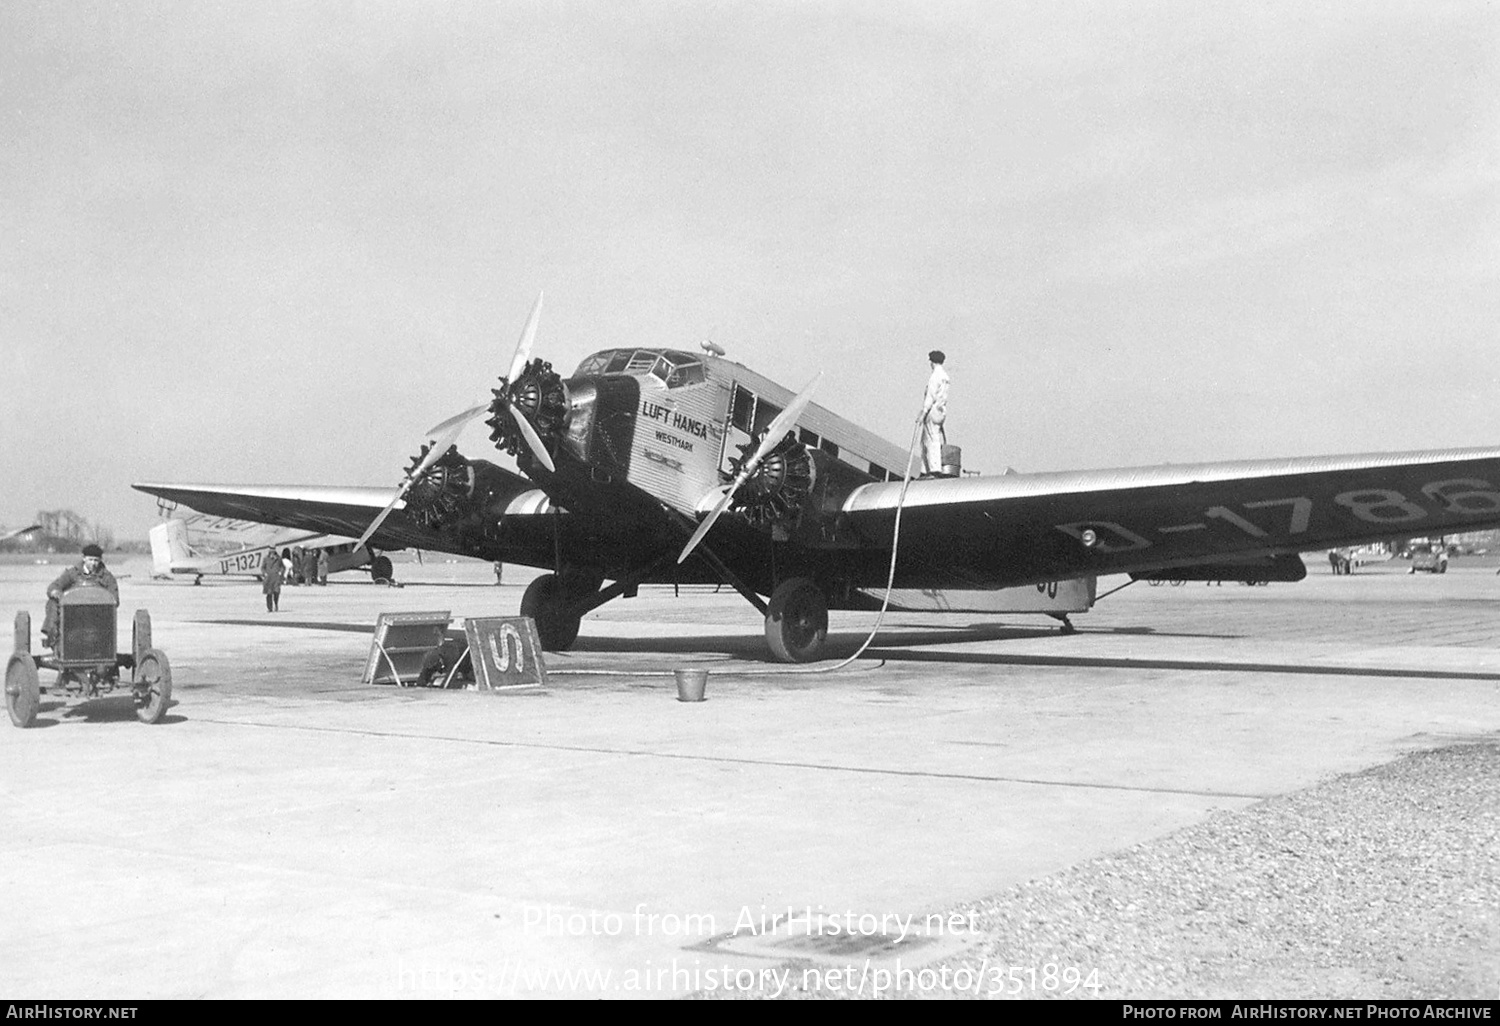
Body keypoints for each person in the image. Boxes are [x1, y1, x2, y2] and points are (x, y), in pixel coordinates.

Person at [41, 543, 118, 649]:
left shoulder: (107, 577)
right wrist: (56, 593)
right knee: (52, 603)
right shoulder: (72, 573)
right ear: (84, 558)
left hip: (95, 616)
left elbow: (115, 599)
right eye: (90, 560)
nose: (93, 563)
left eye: (96, 560)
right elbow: (54, 586)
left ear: (100, 560)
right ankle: (52, 633)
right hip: (72, 614)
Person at [921, 349, 950, 476]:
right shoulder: (946, 377)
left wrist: (923, 411)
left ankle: (933, 469)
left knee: (931, 440)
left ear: (932, 362)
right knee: (928, 439)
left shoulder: (935, 376)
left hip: (933, 410)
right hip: (941, 410)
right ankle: (926, 469)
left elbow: (931, 396)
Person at [261, 546, 284, 612]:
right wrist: (264, 573)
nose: (272, 551)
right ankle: (269, 608)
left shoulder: (279, 558)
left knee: (276, 592)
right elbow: (263, 567)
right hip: (268, 579)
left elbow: (282, 567)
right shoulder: (266, 558)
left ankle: (276, 604)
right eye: (271, 549)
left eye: (273, 549)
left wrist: (280, 572)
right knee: (269, 594)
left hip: (276, 578)